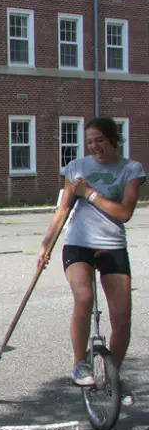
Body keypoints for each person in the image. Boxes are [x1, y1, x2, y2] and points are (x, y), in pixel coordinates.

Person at [37, 117, 145, 406]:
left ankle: (114, 376)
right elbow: (62, 212)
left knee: (122, 318)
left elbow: (124, 213)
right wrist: (46, 245)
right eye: (90, 142)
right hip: (78, 245)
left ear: (113, 140)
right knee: (83, 298)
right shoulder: (76, 168)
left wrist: (90, 194)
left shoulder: (131, 170)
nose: (94, 147)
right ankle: (79, 363)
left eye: (99, 140)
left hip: (112, 246)